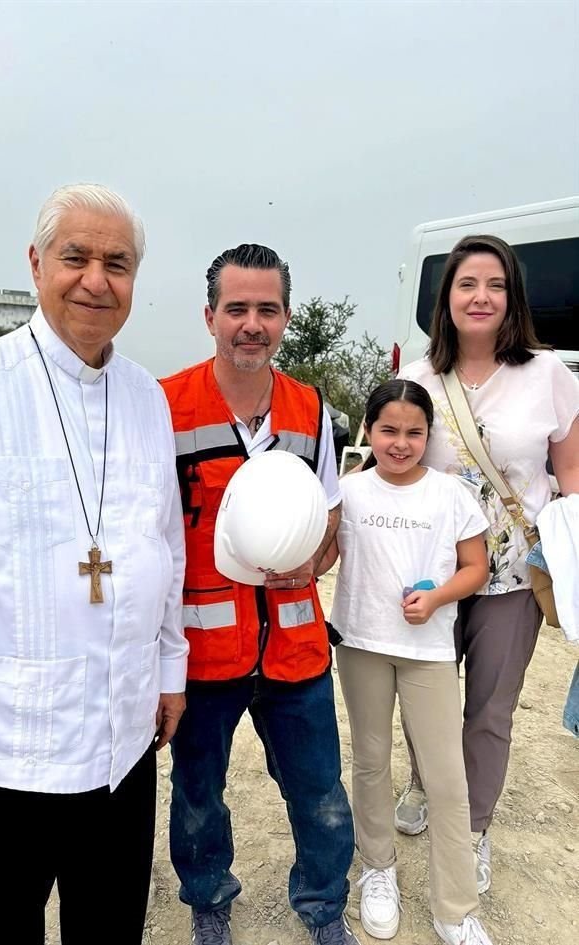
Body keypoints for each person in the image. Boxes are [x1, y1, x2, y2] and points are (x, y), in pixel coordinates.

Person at [0, 183, 188, 945]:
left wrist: (171, 668)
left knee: (112, 931)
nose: (96, 279)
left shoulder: (147, 396)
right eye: (75, 257)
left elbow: (165, 544)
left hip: (124, 745)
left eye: (117, 263)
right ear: (35, 263)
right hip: (6, 754)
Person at [160, 244, 358, 945]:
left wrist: (312, 558)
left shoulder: (309, 408)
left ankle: (323, 904)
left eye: (266, 309)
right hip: (205, 652)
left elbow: (331, 515)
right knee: (197, 796)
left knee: (321, 795)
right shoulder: (166, 407)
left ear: (287, 318)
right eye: (236, 308)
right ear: (209, 315)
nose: (252, 323)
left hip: (295, 647)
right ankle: (208, 895)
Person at [396, 234, 579, 893]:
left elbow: (572, 475)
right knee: (427, 699)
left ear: (513, 298)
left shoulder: (550, 375)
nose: (480, 296)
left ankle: (471, 828)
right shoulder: (416, 379)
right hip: (433, 575)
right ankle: (422, 779)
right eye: (466, 283)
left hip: (511, 579)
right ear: (446, 298)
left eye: (495, 284)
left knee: (489, 710)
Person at [318, 379, 494, 945]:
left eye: (413, 432)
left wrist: (438, 598)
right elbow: (321, 555)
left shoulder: (450, 495)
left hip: (428, 653)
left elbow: (476, 569)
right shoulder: (349, 492)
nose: (400, 443)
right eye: (388, 430)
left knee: (446, 779)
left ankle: (455, 908)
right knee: (370, 762)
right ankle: (378, 870)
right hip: (362, 644)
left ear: (428, 436)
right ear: (368, 430)